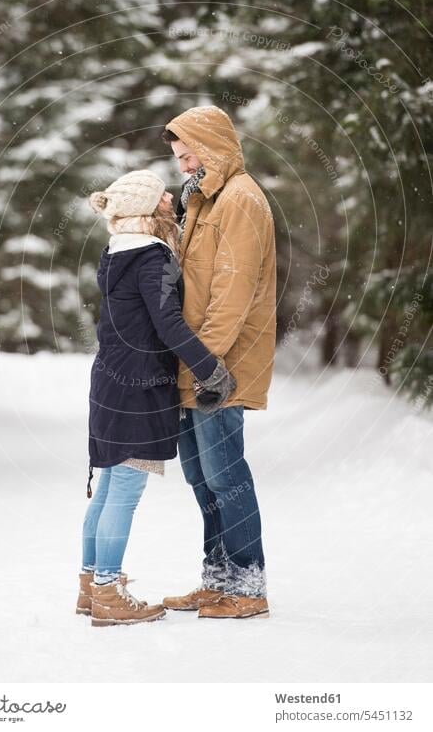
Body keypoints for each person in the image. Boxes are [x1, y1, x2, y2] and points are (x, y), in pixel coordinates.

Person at [76, 169, 235, 627]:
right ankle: (107, 591)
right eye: (162, 196)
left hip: (108, 382)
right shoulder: (152, 256)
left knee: (106, 488)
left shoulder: (116, 251)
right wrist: (209, 368)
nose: (171, 198)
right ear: (149, 209)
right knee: (123, 490)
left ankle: (90, 586)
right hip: (139, 387)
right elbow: (169, 324)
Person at [160, 105, 276, 619]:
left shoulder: (241, 200)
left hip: (219, 364)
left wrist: (205, 363)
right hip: (195, 360)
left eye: (189, 155)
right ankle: (218, 578)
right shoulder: (206, 202)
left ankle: (248, 587)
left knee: (226, 477)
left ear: (213, 146)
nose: (183, 166)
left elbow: (232, 291)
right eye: (178, 158)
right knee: (201, 479)